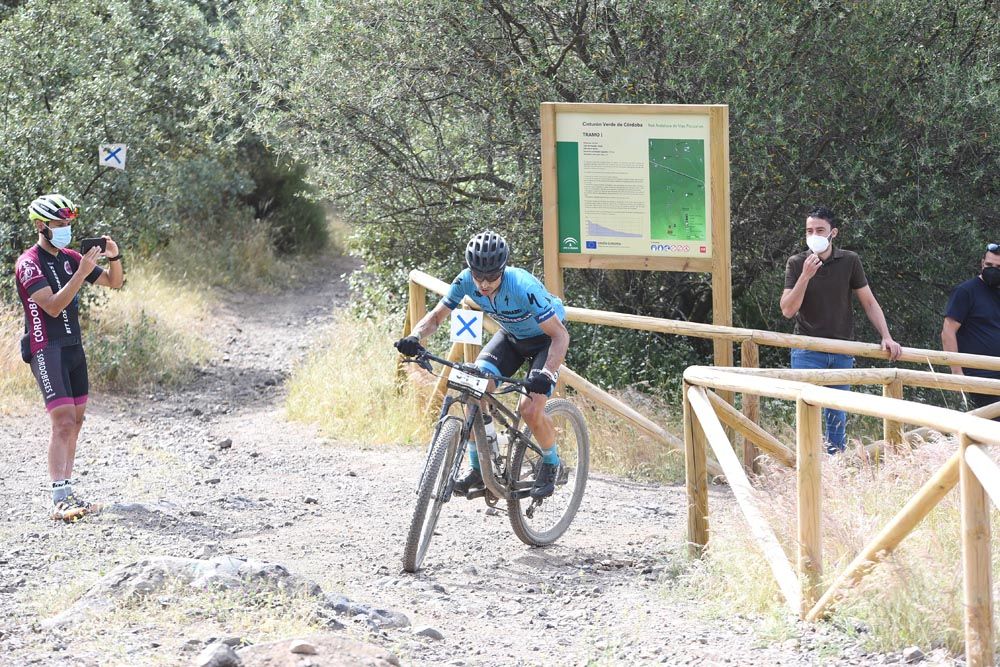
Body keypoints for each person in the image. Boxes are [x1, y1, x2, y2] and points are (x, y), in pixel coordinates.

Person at [394, 231, 569, 498]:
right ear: (471, 269)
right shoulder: (466, 280)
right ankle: (479, 469)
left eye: (491, 277)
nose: (484, 284)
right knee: (473, 389)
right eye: (479, 276)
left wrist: (546, 373)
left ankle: (551, 463)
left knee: (530, 408)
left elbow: (560, 336)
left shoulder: (522, 286)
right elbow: (437, 316)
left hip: (545, 340)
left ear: (503, 269)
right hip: (511, 338)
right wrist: (415, 336)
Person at [14, 194, 125, 521]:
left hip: (73, 346)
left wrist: (115, 257)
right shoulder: (28, 263)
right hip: (45, 348)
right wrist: (83, 272)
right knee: (62, 421)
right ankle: (58, 497)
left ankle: (68, 490)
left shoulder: (71, 257)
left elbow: (114, 282)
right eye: (59, 224)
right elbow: (52, 306)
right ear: (40, 225)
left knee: (75, 422)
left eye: (68, 224)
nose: (65, 230)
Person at [780, 206, 902, 453]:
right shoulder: (796, 263)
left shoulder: (850, 260)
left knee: (837, 417)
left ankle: (835, 472)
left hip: (842, 350)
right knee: (807, 413)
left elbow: (868, 301)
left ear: (832, 233)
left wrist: (886, 336)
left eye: (819, 230)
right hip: (807, 349)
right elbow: (787, 310)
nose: (813, 234)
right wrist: (805, 276)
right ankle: (808, 470)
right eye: (809, 230)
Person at [941, 243, 1000, 413]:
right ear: (982, 263)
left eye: (998, 267)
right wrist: (956, 372)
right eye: (989, 265)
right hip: (980, 376)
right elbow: (948, 331)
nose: (993, 270)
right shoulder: (966, 291)